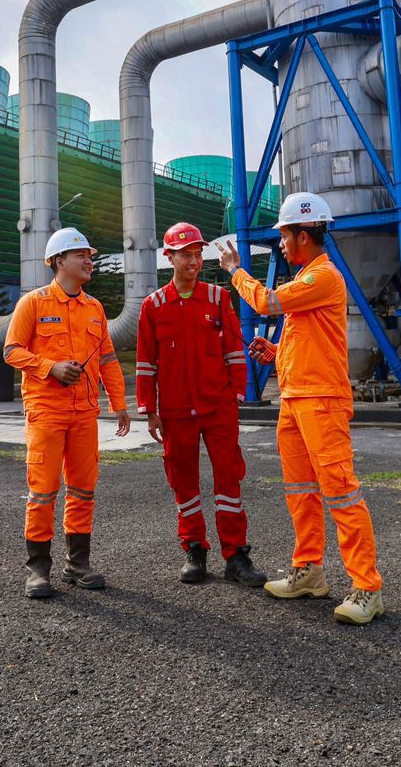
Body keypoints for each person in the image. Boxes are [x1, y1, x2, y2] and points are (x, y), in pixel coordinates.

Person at [217, 192, 386, 624]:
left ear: (304, 235)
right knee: (300, 491)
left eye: (285, 237)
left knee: (341, 492)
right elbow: (308, 342)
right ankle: (309, 570)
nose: (282, 245)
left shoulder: (322, 277)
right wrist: (274, 352)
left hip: (321, 401)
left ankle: (367, 588)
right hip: (294, 399)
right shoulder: (308, 279)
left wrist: (236, 271)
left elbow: (266, 302)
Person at [136, 221, 267, 587]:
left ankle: (236, 555)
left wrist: (236, 395)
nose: (194, 262)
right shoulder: (153, 306)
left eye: (198, 255)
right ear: (170, 257)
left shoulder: (218, 297)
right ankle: (195, 549)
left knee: (229, 478)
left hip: (218, 407)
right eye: (186, 255)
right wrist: (150, 410)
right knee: (184, 482)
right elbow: (146, 363)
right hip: (176, 412)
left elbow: (234, 352)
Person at [3, 227, 130, 599]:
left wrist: (119, 403)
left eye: (90, 256)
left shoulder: (94, 309)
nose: (89, 261)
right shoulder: (34, 303)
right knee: (43, 491)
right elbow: (11, 350)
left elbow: (107, 359)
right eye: (81, 255)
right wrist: (50, 367)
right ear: (59, 261)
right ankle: (38, 570)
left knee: (83, 490)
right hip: (46, 411)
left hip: (84, 414)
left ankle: (78, 564)